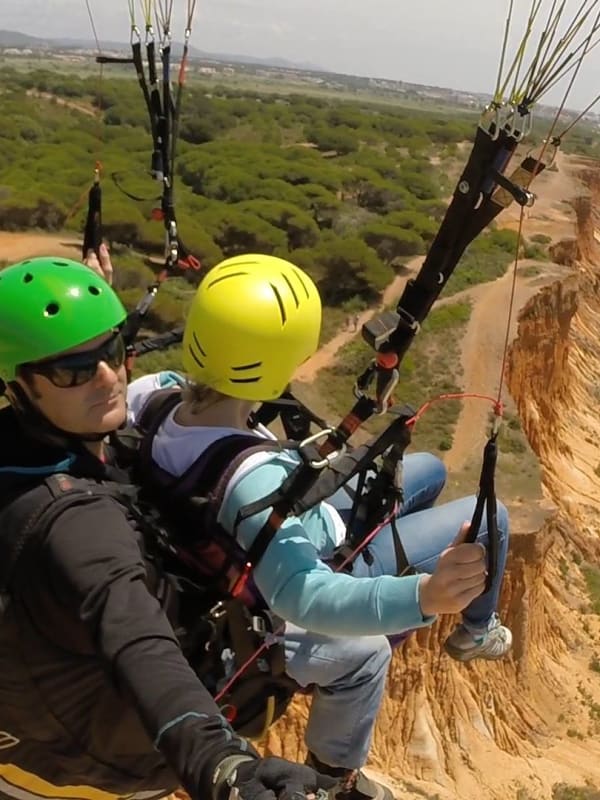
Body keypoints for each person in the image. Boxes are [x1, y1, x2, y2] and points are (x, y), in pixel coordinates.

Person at [126, 253, 513, 800]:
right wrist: (426, 593)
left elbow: (244, 456)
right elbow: (305, 596)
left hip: (231, 532)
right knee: (490, 518)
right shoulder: (254, 481)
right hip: (296, 566)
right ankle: (341, 775)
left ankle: (473, 625)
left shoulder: (152, 393)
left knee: (428, 472)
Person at [0, 255, 335, 800]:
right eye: (73, 369)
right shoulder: (76, 526)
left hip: (29, 740)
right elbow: (139, 640)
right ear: (19, 384)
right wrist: (224, 768)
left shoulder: (25, 442)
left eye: (109, 350)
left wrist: (68, 323)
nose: (108, 378)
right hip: (98, 771)